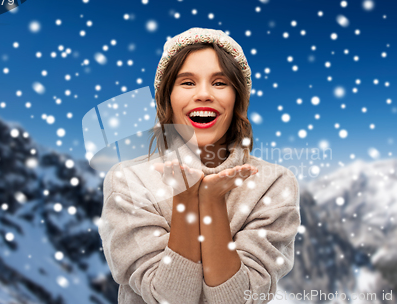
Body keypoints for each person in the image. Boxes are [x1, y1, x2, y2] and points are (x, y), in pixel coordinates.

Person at [98, 27, 301, 304]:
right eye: (187, 83)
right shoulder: (129, 180)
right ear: (166, 99)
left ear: (237, 99)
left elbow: (237, 300)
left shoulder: (273, 183)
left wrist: (212, 203)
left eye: (219, 83)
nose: (204, 94)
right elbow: (168, 298)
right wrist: (185, 200)